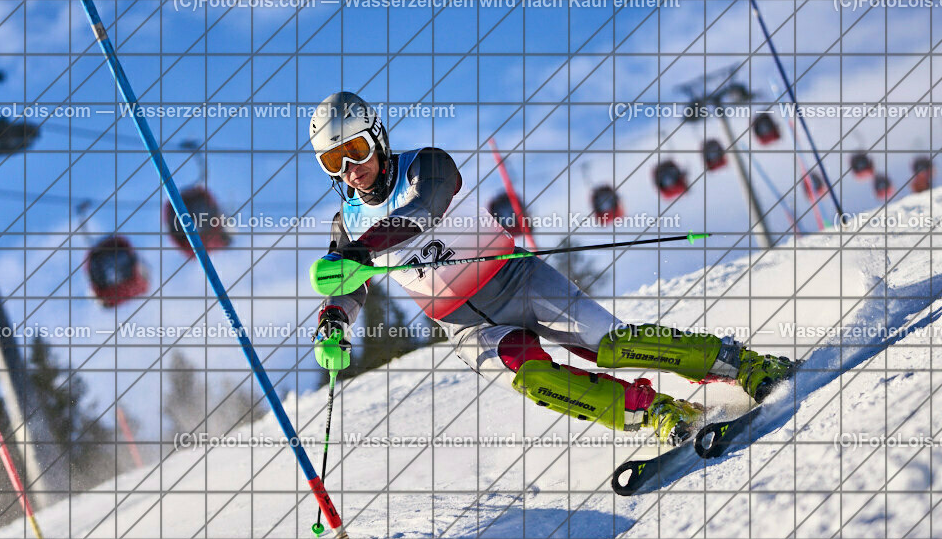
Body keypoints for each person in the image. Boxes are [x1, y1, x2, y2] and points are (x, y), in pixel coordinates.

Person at [307, 91, 796, 446]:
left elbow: (425, 210)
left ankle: (744, 364)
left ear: (377, 138)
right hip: (463, 326)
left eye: (356, 149)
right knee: (533, 376)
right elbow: (347, 288)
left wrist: (361, 252)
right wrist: (333, 320)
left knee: (610, 344)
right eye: (334, 159)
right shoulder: (346, 226)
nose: (351, 167)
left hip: (517, 281)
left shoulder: (426, 165)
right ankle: (658, 413)